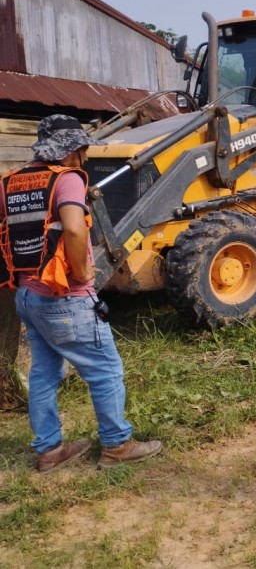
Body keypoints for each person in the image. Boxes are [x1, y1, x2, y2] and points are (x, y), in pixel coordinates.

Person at [0, 114, 163, 473]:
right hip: (65, 297)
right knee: (104, 370)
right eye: (83, 148)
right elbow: (74, 229)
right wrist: (82, 271)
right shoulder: (68, 179)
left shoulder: (11, 181)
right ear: (74, 148)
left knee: (44, 372)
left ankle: (49, 450)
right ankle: (117, 445)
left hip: (27, 296)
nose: (86, 155)